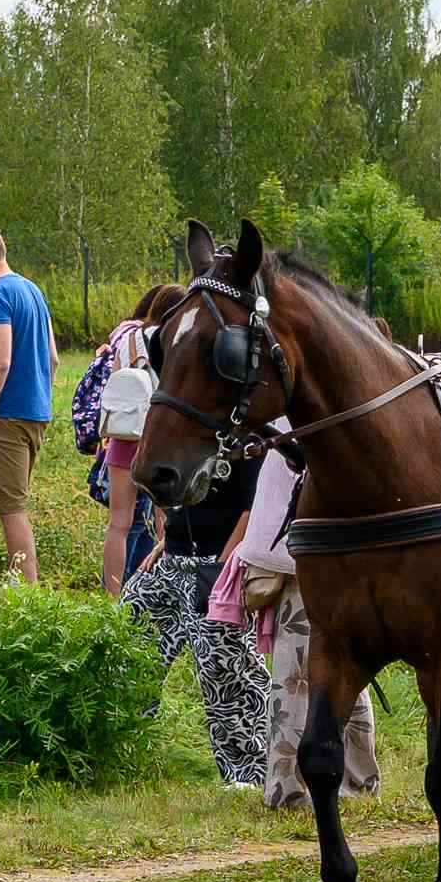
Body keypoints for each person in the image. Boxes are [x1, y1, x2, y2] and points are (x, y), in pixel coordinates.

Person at [229, 421, 380, 809]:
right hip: (340, 557)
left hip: (306, 561)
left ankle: (290, 787)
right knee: (347, 673)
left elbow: (276, 497)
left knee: (296, 677)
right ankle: (357, 781)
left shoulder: (292, 422)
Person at [122, 449, 272, 787]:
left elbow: (254, 508)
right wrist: (165, 541)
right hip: (174, 561)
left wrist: (223, 566)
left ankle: (250, 773)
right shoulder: (188, 433)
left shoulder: (247, 442)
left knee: (226, 669)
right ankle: (120, 748)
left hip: (216, 564)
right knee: (129, 631)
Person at [0, 224, 56, 582]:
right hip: (37, 412)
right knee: (14, 504)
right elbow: (53, 359)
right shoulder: (33, 291)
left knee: (12, 510)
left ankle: (26, 596)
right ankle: (23, 590)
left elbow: (0, 362)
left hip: (8, 417)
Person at [97, 284, 183, 594]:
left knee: (119, 523)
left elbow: (115, 380)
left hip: (125, 435)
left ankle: (111, 596)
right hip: (162, 438)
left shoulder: (129, 337)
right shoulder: (175, 338)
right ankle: (161, 589)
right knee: (164, 521)